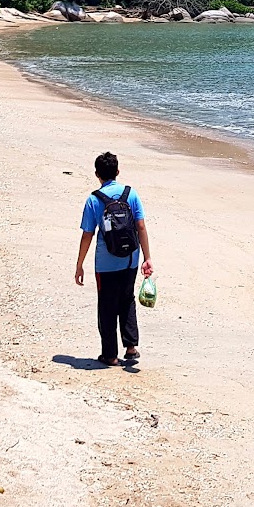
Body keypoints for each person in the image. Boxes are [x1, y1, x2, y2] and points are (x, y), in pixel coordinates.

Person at [76, 152, 154, 367]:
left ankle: (110, 355)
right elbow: (140, 227)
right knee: (127, 299)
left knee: (107, 306)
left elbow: (87, 234)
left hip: (106, 263)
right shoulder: (131, 194)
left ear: (97, 174)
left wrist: (79, 264)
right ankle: (130, 346)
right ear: (118, 172)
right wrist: (147, 258)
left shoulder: (94, 199)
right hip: (131, 258)